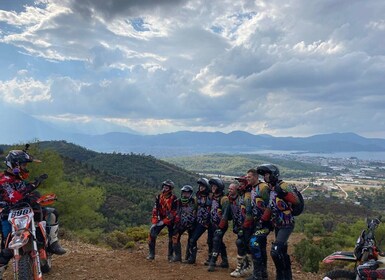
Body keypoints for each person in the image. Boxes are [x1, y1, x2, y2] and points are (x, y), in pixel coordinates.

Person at [0, 149, 66, 268]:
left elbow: (27, 194)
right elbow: (15, 197)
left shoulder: (17, 179)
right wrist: (33, 185)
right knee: (6, 250)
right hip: (8, 216)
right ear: (16, 165)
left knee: (52, 213)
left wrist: (35, 193)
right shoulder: (4, 181)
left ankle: (52, 242)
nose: (25, 168)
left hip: (25, 213)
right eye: (24, 165)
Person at [257, 164, 301, 280]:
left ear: (273, 174)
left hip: (287, 224)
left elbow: (296, 200)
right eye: (264, 175)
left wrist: (283, 193)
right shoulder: (271, 189)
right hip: (277, 224)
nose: (265, 177)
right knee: (282, 252)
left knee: (275, 251)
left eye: (267, 174)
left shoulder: (283, 186)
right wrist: (263, 220)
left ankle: (282, 277)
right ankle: (284, 277)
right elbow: (270, 207)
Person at [247, 168, 271, 280]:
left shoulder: (263, 188)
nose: (248, 178)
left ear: (256, 177)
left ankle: (257, 275)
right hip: (257, 223)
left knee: (253, 243)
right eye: (247, 177)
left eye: (250, 177)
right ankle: (263, 273)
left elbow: (270, 206)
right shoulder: (253, 188)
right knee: (261, 247)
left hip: (265, 224)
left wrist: (264, 221)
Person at [147, 179, 178, 261]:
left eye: (167, 187)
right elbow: (155, 209)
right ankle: (151, 254)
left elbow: (174, 212)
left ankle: (170, 255)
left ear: (170, 189)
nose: (165, 189)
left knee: (171, 237)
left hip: (170, 220)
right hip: (160, 218)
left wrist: (164, 221)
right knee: (152, 234)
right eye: (164, 187)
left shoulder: (174, 198)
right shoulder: (158, 196)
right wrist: (154, 221)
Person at [229, 177, 253, 277]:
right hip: (243, 225)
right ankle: (244, 266)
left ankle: (248, 267)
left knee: (244, 244)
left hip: (248, 226)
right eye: (239, 184)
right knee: (241, 244)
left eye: (242, 184)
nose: (240, 186)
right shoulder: (242, 196)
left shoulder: (247, 197)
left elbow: (249, 214)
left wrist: (243, 228)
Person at [186, 178, 211, 265]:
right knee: (191, 238)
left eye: (203, 186)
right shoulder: (198, 196)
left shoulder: (210, 197)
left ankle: (211, 259)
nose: (201, 188)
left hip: (205, 222)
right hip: (197, 220)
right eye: (200, 186)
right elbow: (195, 208)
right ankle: (190, 257)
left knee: (209, 240)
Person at [207, 177, 230, 272]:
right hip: (212, 223)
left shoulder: (224, 199)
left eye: (215, 186)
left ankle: (213, 261)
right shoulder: (213, 197)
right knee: (212, 241)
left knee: (216, 240)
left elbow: (225, 214)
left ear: (219, 187)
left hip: (221, 224)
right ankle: (225, 261)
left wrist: (220, 226)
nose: (212, 187)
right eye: (212, 185)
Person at [170, 185, 197, 262]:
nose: (185, 194)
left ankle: (191, 258)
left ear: (190, 193)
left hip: (191, 223)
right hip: (180, 223)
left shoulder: (194, 201)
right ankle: (177, 256)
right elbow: (173, 211)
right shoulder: (178, 201)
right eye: (184, 192)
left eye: (187, 193)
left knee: (192, 240)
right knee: (175, 237)